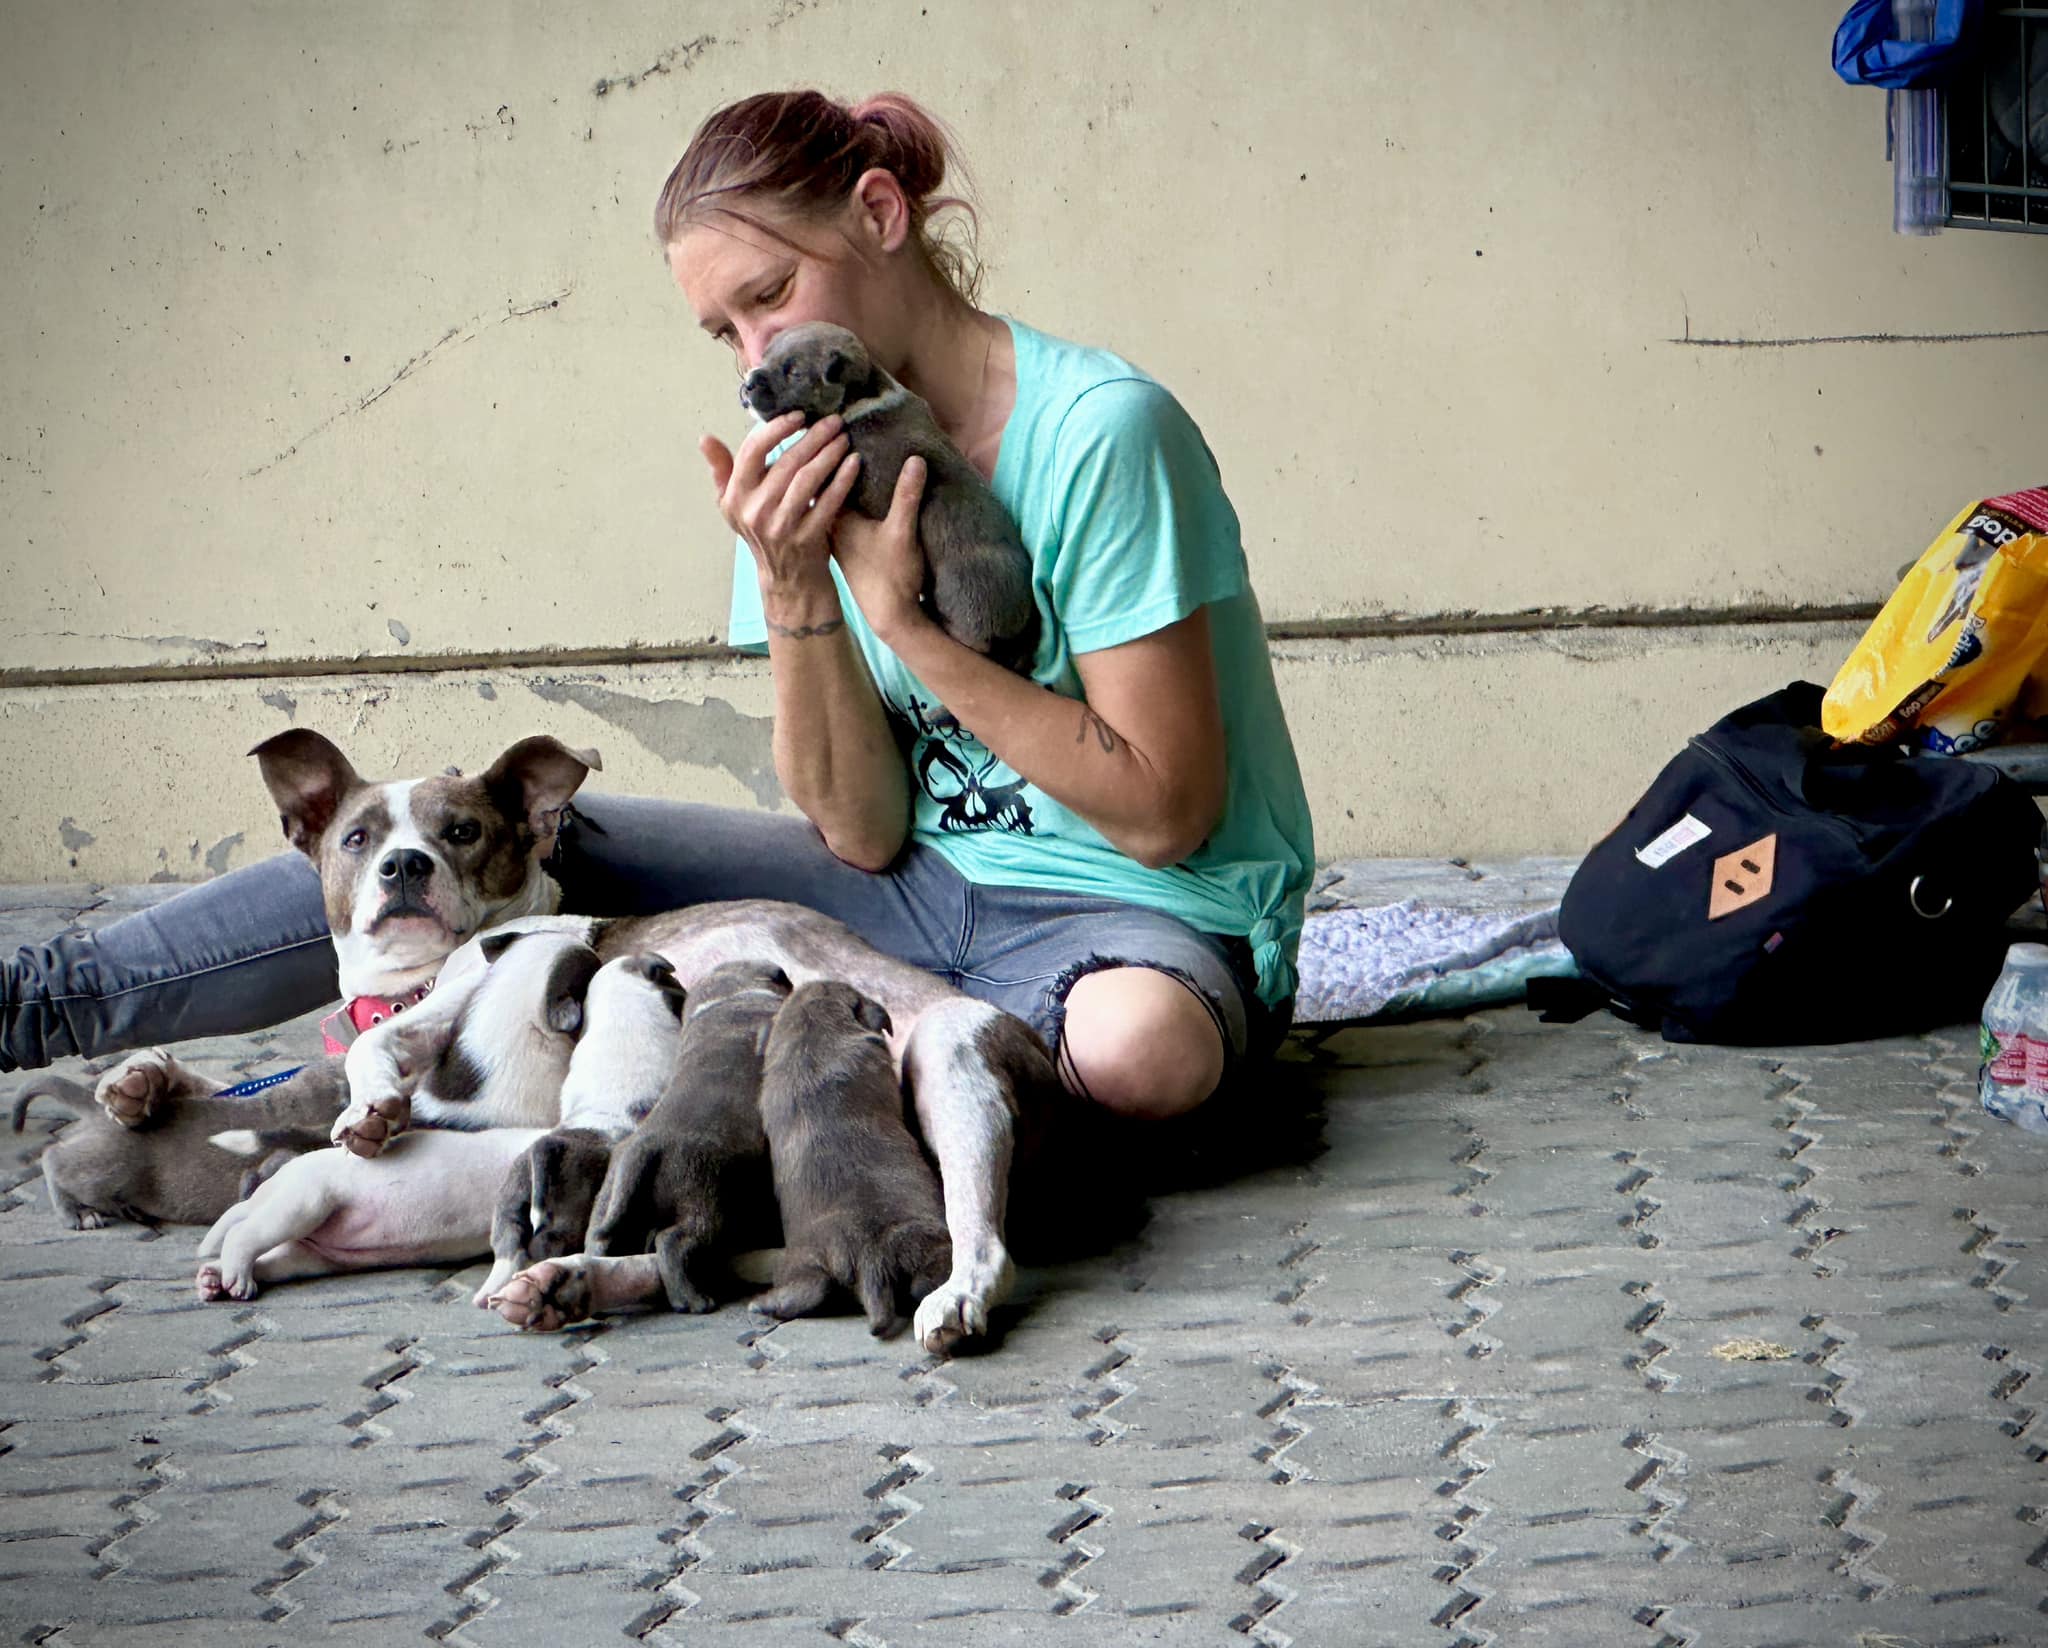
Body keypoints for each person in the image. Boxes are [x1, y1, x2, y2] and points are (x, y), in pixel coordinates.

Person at [1, 89, 1314, 1126]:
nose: (756, 362)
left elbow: (1162, 812)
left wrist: (907, 629)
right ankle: (44, 1004)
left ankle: (874, 1068)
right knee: (436, 842)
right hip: (915, 891)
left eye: (770, 299)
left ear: (878, 212)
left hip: (1136, 909)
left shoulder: (1100, 435)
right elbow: (858, 834)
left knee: (1142, 1052)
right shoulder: (802, 452)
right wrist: (798, 585)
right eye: (721, 336)